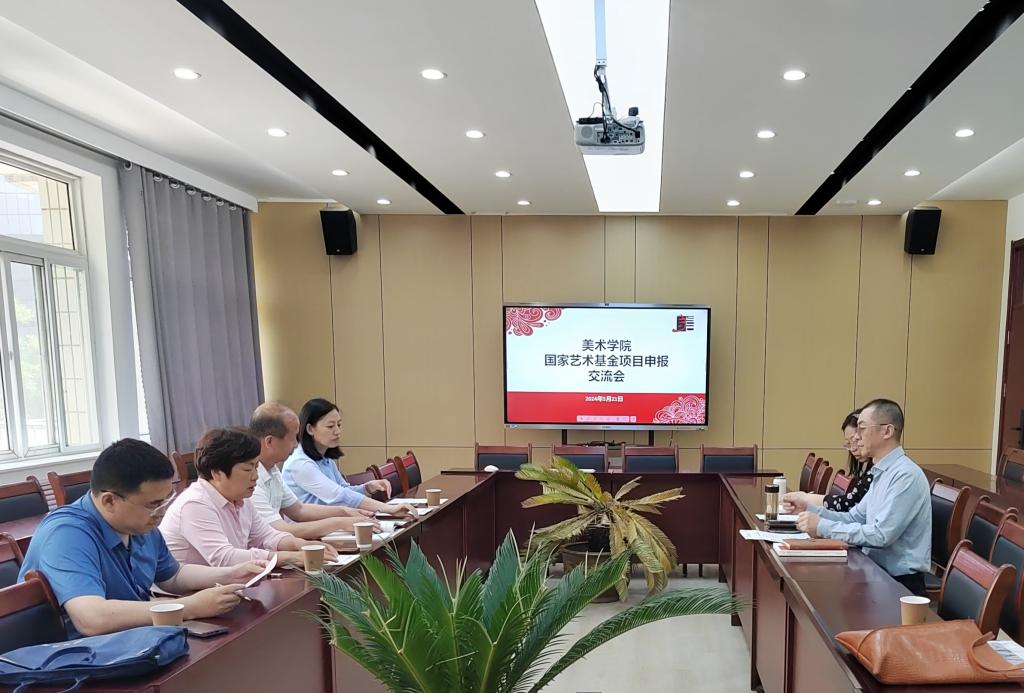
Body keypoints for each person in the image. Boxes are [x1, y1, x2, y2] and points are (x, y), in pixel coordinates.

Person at [18, 439, 265, 637]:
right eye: (154, 504)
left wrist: (230, 574)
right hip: (73, 661)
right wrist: (189, 607)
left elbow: (172, 576)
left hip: (130, 642)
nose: (162, 512)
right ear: (109, 501)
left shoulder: (139, 524)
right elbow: (92, 618)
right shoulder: (66, 534)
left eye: (166, 500)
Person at [790, 399, 932, 596]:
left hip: (900, 584)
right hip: (874, 571)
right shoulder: (881, 471)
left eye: (862, 428)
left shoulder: (905, 475)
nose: (856, 437)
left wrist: (822, 526)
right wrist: (810, 510)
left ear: (887, 431)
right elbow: (855, 517)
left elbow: (881, 535)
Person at [159, 428, 334, 567]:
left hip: (223, 586)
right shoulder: (195, 504)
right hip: (185, 596)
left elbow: (267, 536)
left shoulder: (242, 499)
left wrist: (301, 545)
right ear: (217, 473)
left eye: (256, 467)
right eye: (248, 469)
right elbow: (224, 558)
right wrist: (288, 557)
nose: (255, 476)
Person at [250, 402, 383, 539]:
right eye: (292, 439)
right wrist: (340, 522)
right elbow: (280, 531)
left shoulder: (272, 470)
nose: (296, 445)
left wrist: (345, 512)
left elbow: (299, 510)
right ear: (270, 442)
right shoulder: (252, 478)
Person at [282, 398, 416, 517]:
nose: (337, 431)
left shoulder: (325, 459)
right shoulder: (300, 463)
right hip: (311, 532)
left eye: (339, 425)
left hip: (333, 525)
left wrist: (367, 488)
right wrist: (388, 509)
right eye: (330, 426)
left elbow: (344, 489)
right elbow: (339, 496)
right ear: (310, 429)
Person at [782, 409, 874, 513]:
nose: (853, 448)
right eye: (849, 443)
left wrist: (806, 499)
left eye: (856, 440)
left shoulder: (879, 472)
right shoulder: (871, 470)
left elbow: (849, 504)